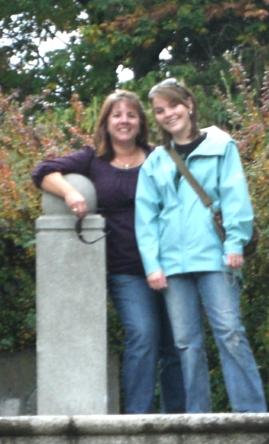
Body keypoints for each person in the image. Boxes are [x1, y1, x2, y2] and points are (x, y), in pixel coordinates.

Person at [31, 89, 185, 414]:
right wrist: (72, 192)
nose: (124, 121)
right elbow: (42, 172)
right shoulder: (92, 159)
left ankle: (178, 420)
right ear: (107, 121)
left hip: (169, 262)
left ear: (140, 121)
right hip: (125, 268)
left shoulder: (158, 155)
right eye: (117, 115)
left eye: (131, 115)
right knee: (142, 336)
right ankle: (137, 420)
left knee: (175, 345)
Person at [135, 78, 267, 413]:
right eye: (160, 110)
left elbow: (236, 197)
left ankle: (251, 415)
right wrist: (152, 265)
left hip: (216, 257)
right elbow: (146, 218)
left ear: (189, 104)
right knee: (185, 345)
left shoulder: (222, 146)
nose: (168, 114)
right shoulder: (155, 161)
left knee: (230, 333)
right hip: (173, 266)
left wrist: (235, 243)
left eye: (173, 106)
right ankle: (197, 419)